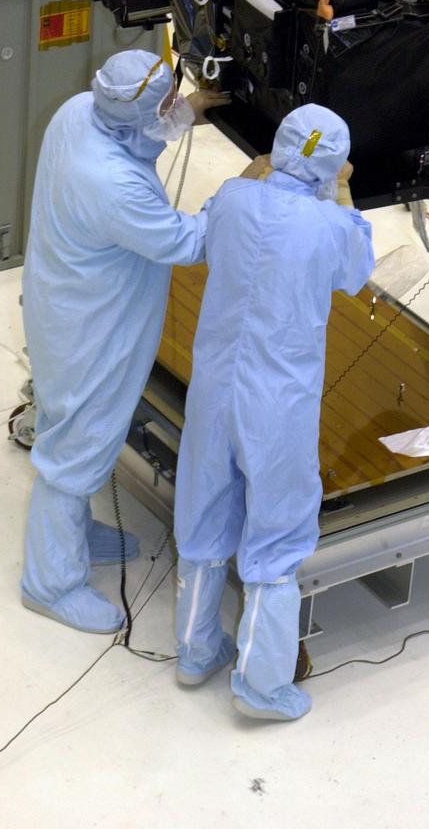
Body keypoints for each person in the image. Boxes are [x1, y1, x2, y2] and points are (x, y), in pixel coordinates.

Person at [173, 104, 375, 721]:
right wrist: (343, 192)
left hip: (215, 390)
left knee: (205, 514)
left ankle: (194, 652)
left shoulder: (234, 199)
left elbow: (208, 229)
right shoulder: (329, 226)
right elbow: (356, 270)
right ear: (333, 163)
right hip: (277, 405)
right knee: (277, 536)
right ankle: (261, 687)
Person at [21, 50, 229, 634]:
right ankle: (50, 582)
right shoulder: (110, 184)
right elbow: (187, 242)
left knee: (78, 432)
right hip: (93, 331)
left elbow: (133, 135)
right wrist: (244, 192)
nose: (170, 110)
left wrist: (186, 112)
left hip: (65, 301)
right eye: (164, 104)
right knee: (74, 451)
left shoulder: (79, 111)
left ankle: (73, 535)